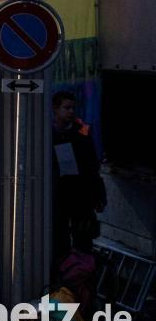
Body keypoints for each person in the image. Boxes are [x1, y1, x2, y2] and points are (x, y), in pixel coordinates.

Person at [51, 91, 106, 267]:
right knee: (60, 241)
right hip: (58, 195)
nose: (71, 111)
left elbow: (91, 167)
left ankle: (79, 277)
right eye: (66, 108)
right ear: (55, 109)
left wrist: (99, 196)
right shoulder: (48, 134)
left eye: (73, 108)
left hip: (80, 195)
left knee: (83, 241)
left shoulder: (81, 133)